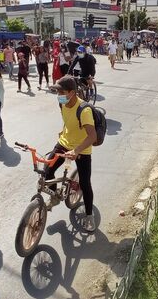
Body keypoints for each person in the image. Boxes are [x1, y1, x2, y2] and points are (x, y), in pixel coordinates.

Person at [46, 76, 97, 232]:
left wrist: (76, 151)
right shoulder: (62, 102)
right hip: (64, 142)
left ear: (72, 92)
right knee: (48, 170)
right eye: (57, 91)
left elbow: (92, 136)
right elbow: (67, 119)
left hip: (82, 148)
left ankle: (89, 216)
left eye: (61, 91)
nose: (58, 94)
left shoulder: (85, 110)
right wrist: (64, 130)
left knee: (85, 183)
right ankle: (54, 196)